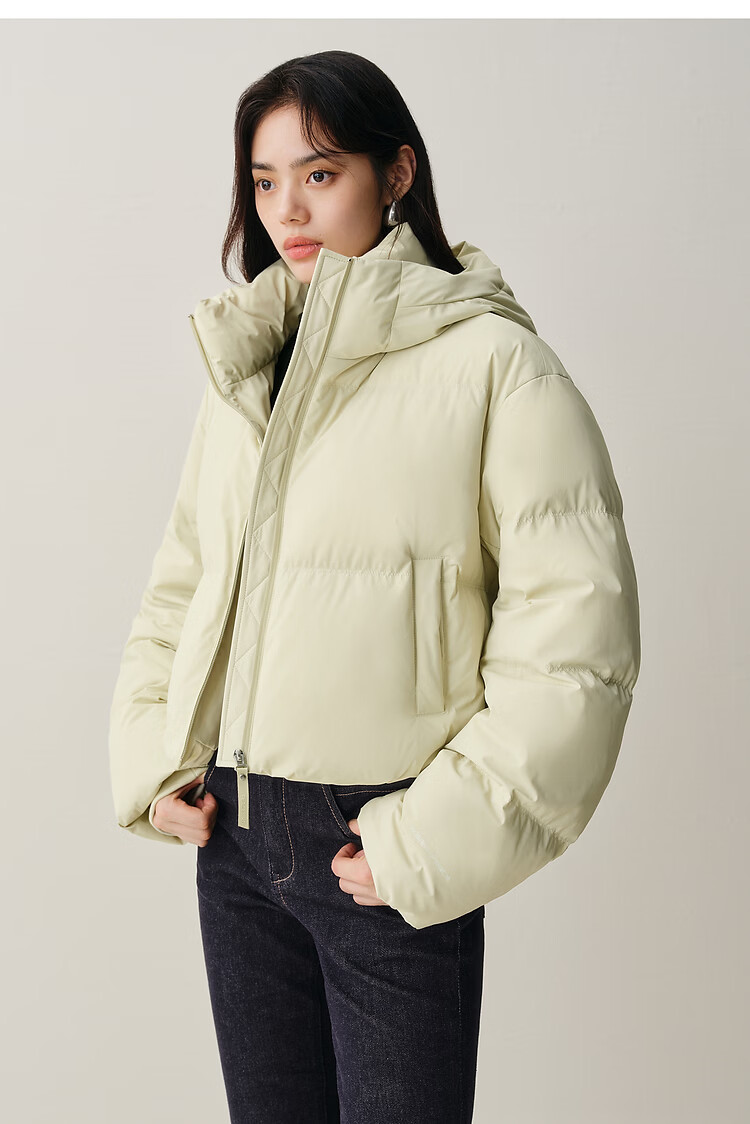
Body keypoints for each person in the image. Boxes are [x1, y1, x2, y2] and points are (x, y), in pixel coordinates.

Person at [108, 50, 641, 1124]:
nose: (287, 209)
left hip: (381, 846)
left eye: (319, 173)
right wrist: (154, 761)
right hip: (235, 837)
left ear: (395, 173)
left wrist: (426, 839)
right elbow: (185, 583)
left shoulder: (494, 365)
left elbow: (575, 651)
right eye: (264, 181)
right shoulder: (248, 367)